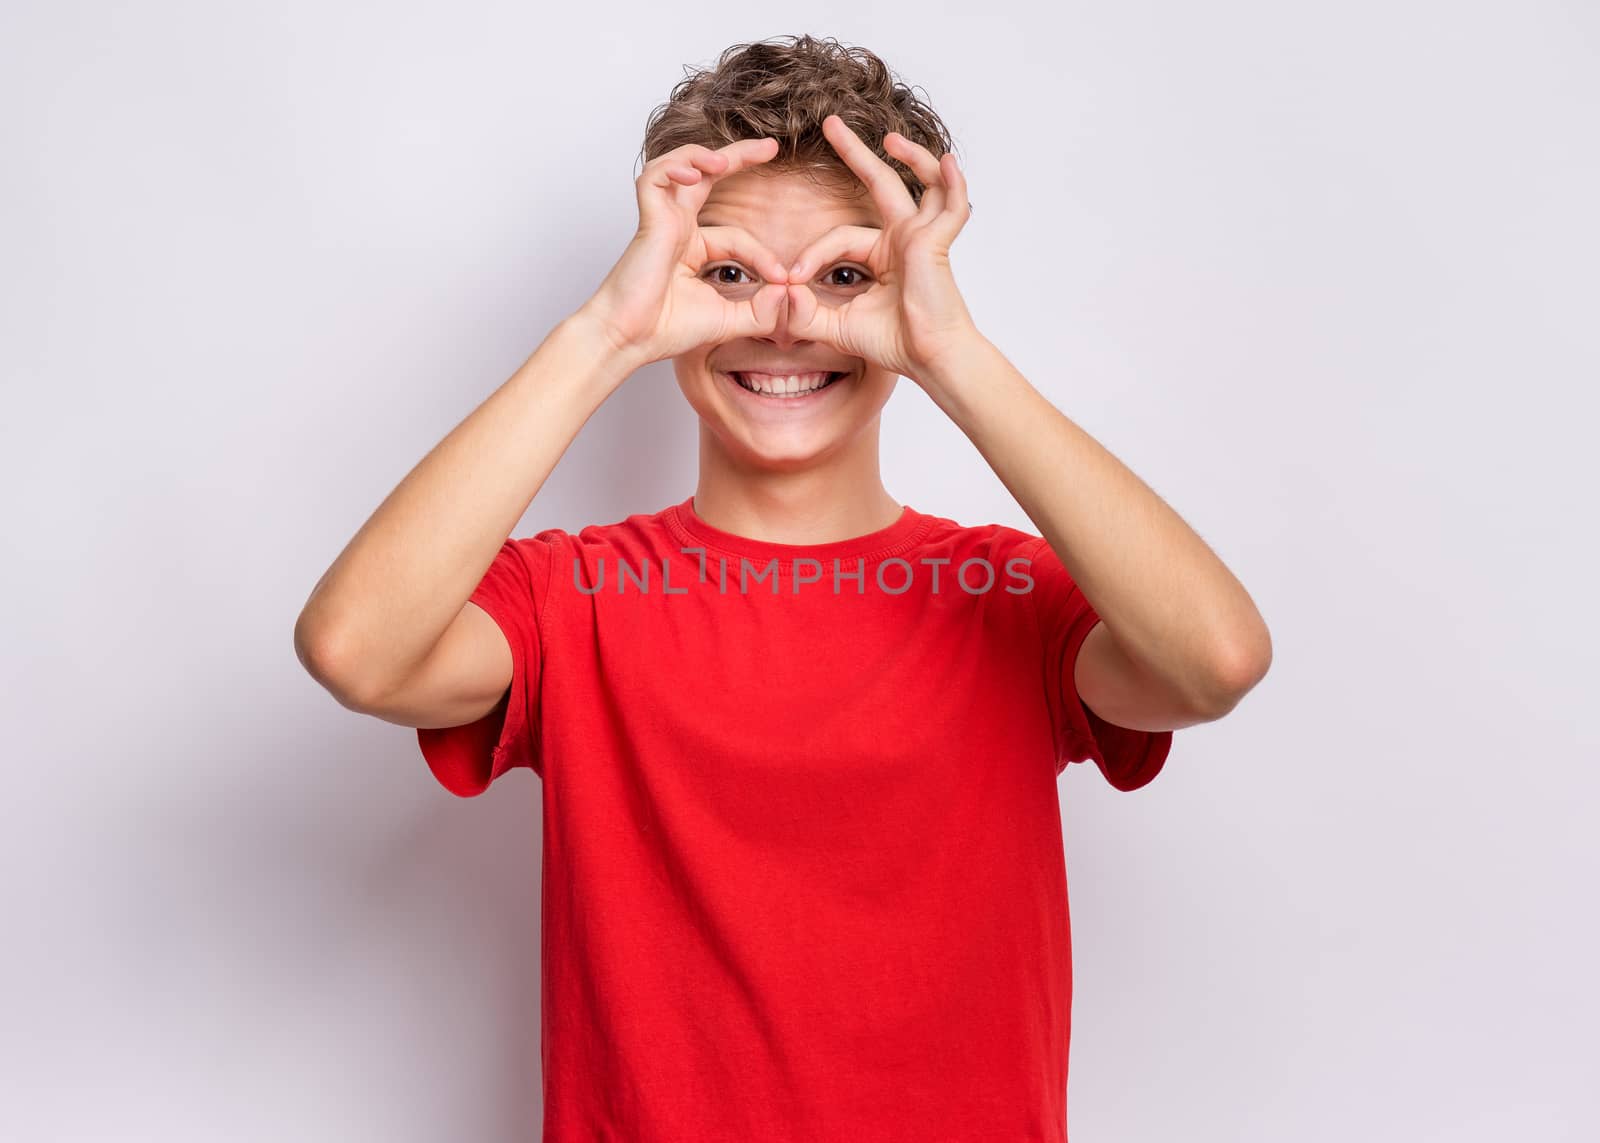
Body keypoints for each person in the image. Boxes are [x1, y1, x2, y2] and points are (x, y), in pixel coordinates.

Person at [294, 33, 1271, 1143]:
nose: (787, 319)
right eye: (731, 276)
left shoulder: (1008, 596)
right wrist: (604, 333)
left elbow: (1214, 660)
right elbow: (356, 651)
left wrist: (953, 354)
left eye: (847, 277)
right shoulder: (579, 597)